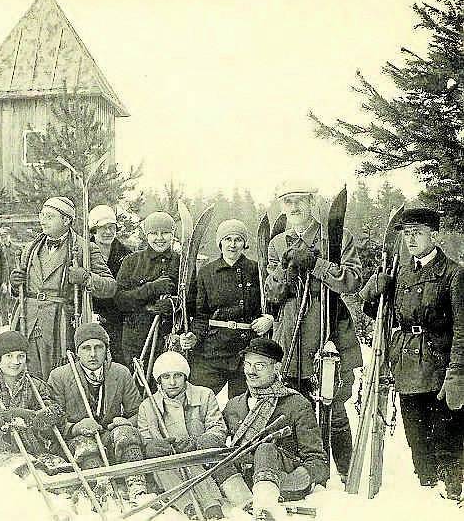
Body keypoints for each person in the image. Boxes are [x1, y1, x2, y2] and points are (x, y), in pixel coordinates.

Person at [360, 207, 463, 500]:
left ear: (435, 234)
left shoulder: (453, 274)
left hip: (439, 367)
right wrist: (374, 289)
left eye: (417, 233)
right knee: (417, 443)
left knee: (446, 440)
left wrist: (456, 373)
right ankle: (427, 491)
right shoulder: (402, 273)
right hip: (405, 364)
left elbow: (462, 329)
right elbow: (378, 313)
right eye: (406, 234)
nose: (410, 239)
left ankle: (452, 490)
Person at [264, 181, 363, 482]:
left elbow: (352, 281)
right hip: (291, 330)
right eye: (287, 203)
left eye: (299, 201)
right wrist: (284, 271)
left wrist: (316, 264)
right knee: (295, 403)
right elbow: (271, 294)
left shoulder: (336, 236)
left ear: (311, 202)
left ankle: (346, 472)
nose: (293, 208)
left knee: (334, 401)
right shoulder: (277, 243)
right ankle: (302, 470)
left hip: (330, 325)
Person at [221, 339, 329, 520]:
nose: (251, 371)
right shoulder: (234, 405)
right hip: (244, 486)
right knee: (218, 453)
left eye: (259, 365)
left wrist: (295, 479)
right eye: (247, 364)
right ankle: (249, 504)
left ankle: (265, 507)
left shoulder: (296, 404)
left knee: (265, 448)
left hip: (283, 483)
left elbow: (317, 461)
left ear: (277, 367)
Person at [10, 197, 116, 380]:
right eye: (42, 215)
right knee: (27, 371)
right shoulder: (30, 248)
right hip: (27, 318)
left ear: (66, 220)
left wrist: (86, 277)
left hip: (61, 324)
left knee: (58, 374)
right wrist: (14, 284)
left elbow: (110, 286)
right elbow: (21, 289)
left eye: (49, 216)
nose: (43, 220)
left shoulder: (85, 249)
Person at [47, 322, 151, 504]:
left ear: (106, 350)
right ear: (77, 352)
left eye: (98, 347)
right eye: (86, 348)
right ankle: (103, 491)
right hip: (77, 443)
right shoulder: (60, 376)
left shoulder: (121, 373)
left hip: (108, 438)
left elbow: (139, 413)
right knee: (86, 446)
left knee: (126, 433)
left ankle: (137, 487)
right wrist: (75, 428)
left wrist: (126, 422)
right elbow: (54, 421)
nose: (93, 354)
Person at [184, 219, 274, 395]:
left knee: (242, 406)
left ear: (244, 244)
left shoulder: (257, 270)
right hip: (214, 349)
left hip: (247, 352)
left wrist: (269, 319)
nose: (232, 245)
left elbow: (272, 302)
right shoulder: (207, 273)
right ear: (220, 243)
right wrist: (194, 336)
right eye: (227, 239)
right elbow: (201, 315)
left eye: (238, 239)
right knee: (197, 399)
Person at [137, 351, 227, 520]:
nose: (172, 382)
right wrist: (152, 448)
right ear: (159, 381)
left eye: (178, 375)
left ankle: (211, 504)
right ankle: (188, 506)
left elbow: (218, 430)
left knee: (191, 464)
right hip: (167, 466)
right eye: (166, 377)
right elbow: (145, 441)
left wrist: (197, 442)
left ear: (185, 377)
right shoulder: (147, 406)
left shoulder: (204, 395)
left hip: (201, 460)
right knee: (163, 467)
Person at [0, 330, 66, 474]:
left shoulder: (36, 386)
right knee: (31, 473)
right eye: (9, 356)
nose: (15, 362)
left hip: (32, 449)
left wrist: (49, 417)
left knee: (61, 472)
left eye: (21, 356)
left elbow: (50, 427)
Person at [115, 212, 181, 369]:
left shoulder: (181, 263)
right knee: (138, 383)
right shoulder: (132, 261)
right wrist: (150, 289)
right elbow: (120, 300)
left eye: (165, 233)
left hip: (168, 337)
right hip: (136, 337)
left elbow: (192, 300)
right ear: (146, 235)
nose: (160, 238)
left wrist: (174, 304)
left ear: (172, 235)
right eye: (154, 233)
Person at [88, 205, 133, 366]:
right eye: (102, 228)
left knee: (117, 361)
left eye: (111, 227)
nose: (108, 232)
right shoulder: (83, 253)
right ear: (93, 230)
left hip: (118, 318)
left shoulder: (126, 255)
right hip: (90, 315)